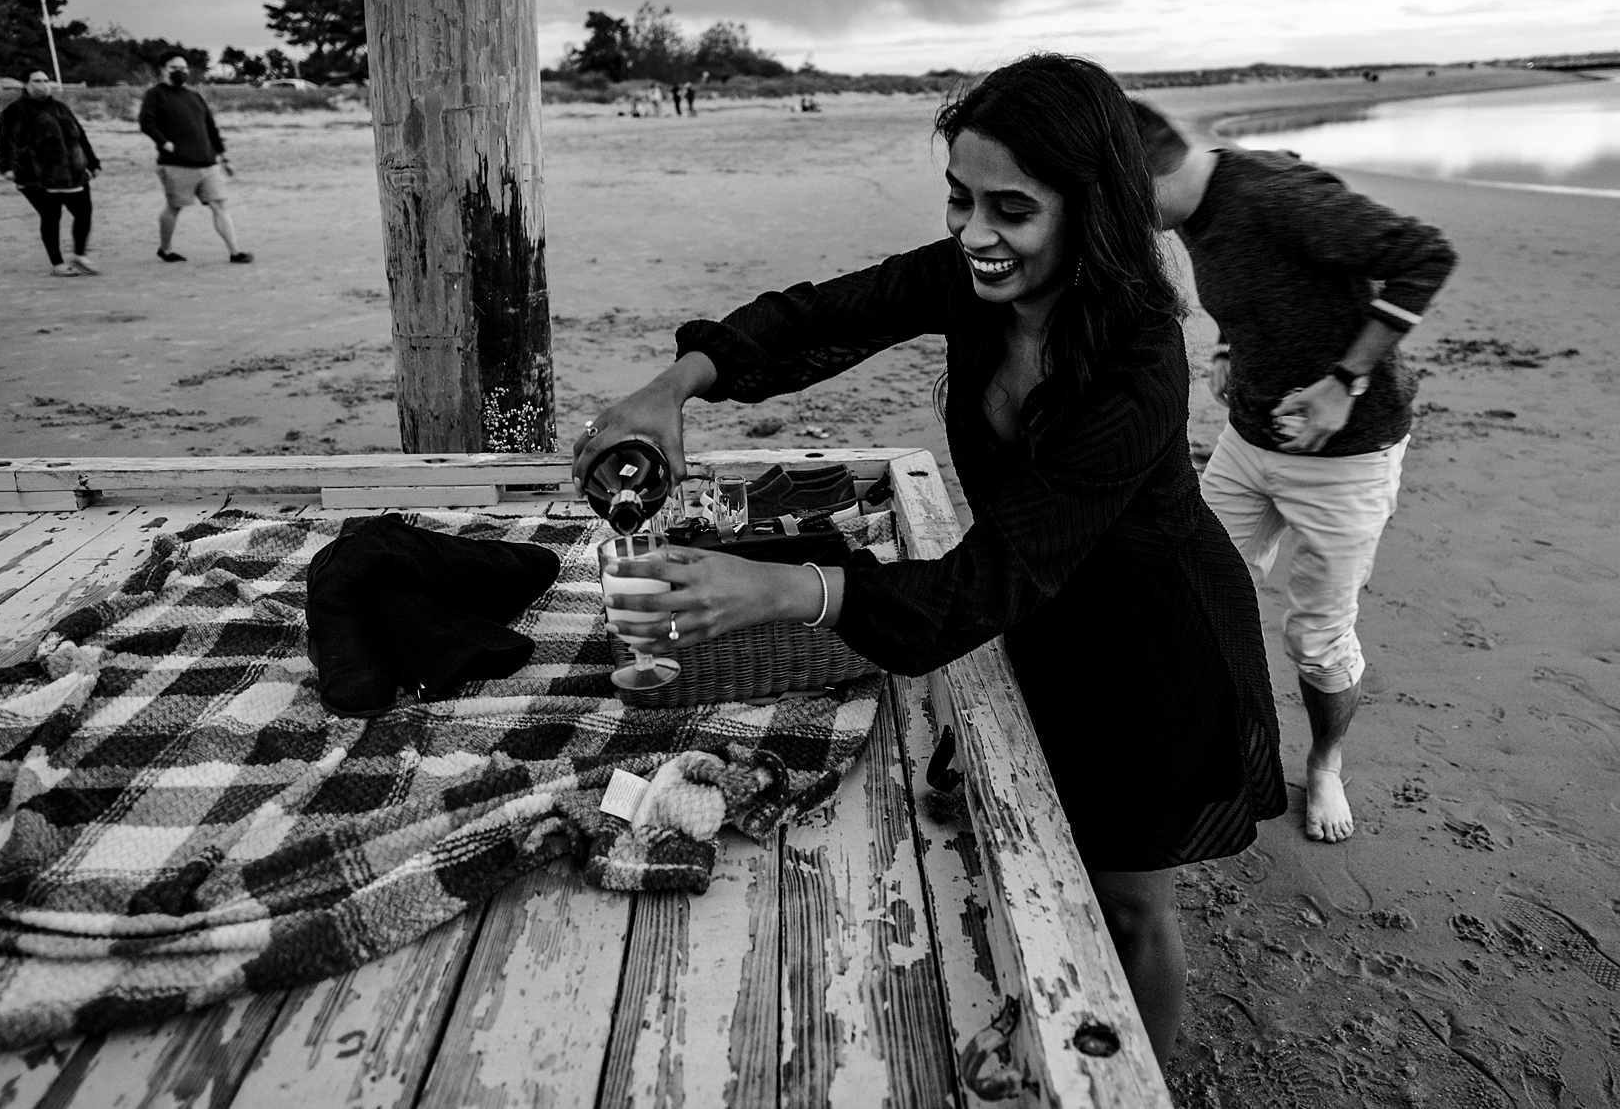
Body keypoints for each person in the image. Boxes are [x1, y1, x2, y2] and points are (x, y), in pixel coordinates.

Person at [574, 54, 1285, 1062]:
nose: (973, 236)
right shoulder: (972, 281)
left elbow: (977, 585)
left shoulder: (1136, 364)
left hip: (1145, 642)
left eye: (1010, 210)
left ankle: (1130, 1079)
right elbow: (822, 315)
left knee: (1126, 898)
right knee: (1045, 835)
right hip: (1039, 609)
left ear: (1092, 209)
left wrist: (783, 589)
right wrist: (673, 385)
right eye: (958, 201)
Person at [1130, 100, 1457, 845]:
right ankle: (1220, 749)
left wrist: (1344, 381)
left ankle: (1327, 763)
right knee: (1194, 586)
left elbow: (1425, 254)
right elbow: (1258, 294)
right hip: (1249, 442)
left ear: (1150, 169)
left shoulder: (1276, 197)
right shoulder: (1197, 210)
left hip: (1346, 458)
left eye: (1115, 195)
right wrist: (1228, 350)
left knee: (1317, 637)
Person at [137, 56, 251, 264]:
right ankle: (165, 249)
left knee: (219, 205)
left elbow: (210, 128)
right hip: (176, 164)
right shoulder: (155, 95)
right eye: (174, 68)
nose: (179, 71)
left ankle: (235, 252)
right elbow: (147, 122)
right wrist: (164, 142)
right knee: (174, 207)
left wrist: (223, 156)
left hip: (207, 163)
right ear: (164, 69)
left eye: (183, 68)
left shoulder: (194, 97)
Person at [0, 70, 101, 276]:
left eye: (45, 81)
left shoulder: (60, 108)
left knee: (84, 212)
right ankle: (57, 264)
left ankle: (79, 255)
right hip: (36, 175)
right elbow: (5, 140)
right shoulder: (15, 111)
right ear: (26, 84)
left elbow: (80, 137)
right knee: (51, 216)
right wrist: (7, 167)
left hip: (72, 172)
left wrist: (93, 162)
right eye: (36, 81)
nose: (42, 85)